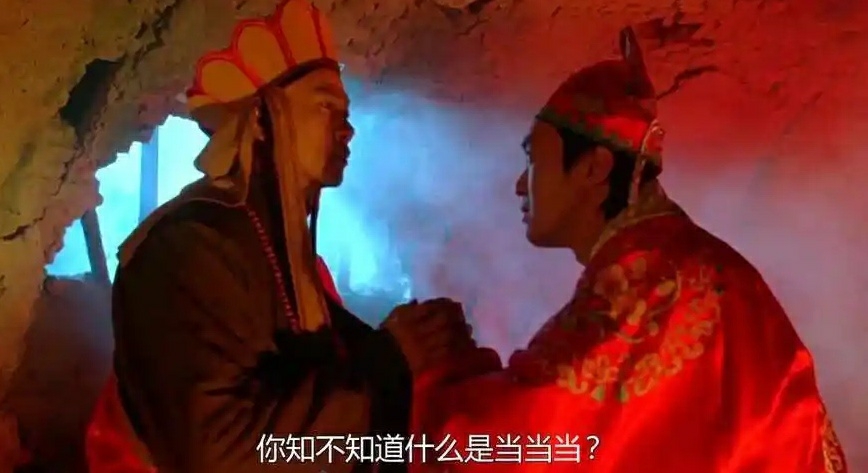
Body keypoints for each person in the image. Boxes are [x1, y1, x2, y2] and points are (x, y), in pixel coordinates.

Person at [410, 27, 849, 472]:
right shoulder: (689, 262)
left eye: (534, 161)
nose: (521, 185)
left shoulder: (650, 276)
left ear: (594, 168)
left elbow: (534, 438)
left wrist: (431, 373)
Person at [84, 1, 476, 472]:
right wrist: (390, 361)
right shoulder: (190, 247)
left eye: (347, 112)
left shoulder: (285, 256)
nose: (347, 129)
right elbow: (222, 452)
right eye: (326, 106)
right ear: (260, 121)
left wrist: (421, 354)